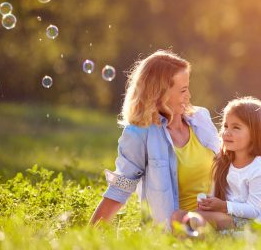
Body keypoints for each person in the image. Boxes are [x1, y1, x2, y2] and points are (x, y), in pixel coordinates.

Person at [89, 50, 220, 229]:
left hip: (217, 221)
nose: (188, 96)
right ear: (161, 94)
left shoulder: (201, 118)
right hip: (176, 231)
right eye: (182, 90)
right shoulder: (140, 133)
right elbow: (121, 186)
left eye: (188, 87)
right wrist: (90, 234)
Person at [172, 97, 261, 230]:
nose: (227, 132)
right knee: (178, 216)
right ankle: (194, 241)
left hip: (254, 224)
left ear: (255, 133)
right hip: (229, 216)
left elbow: (255, 210)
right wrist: (209, 202)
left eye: (236, 127)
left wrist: (223, 206)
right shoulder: (224, 162)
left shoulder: (259, 168)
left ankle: (213, 238)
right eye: (226, 126)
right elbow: (219, 195)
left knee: (196, 219)